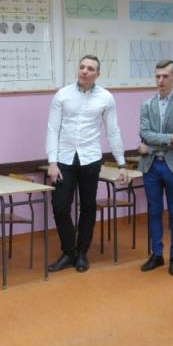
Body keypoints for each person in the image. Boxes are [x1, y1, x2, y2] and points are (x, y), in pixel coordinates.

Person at [45, 55, 128, 274]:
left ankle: (82, 253)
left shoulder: (106, 98)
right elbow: (52, 128)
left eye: (90, 68)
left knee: (88, 206)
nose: (84, 71)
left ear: (97, 74)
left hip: (90, 158)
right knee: (60, 207)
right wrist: (52, 162)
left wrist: (121, 163)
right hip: (64, 159)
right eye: (82, 67)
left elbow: (113, 130)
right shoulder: (62, 95)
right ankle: (68, 252)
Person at [137, 59, 173, 275]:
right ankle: (157, 254)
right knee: (154, 210)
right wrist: (169, 138)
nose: (160, 80)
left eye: (165, 76)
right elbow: (145, 133)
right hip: (151, 166)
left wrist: (150, 145)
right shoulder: (146, 105)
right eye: (157, 76)